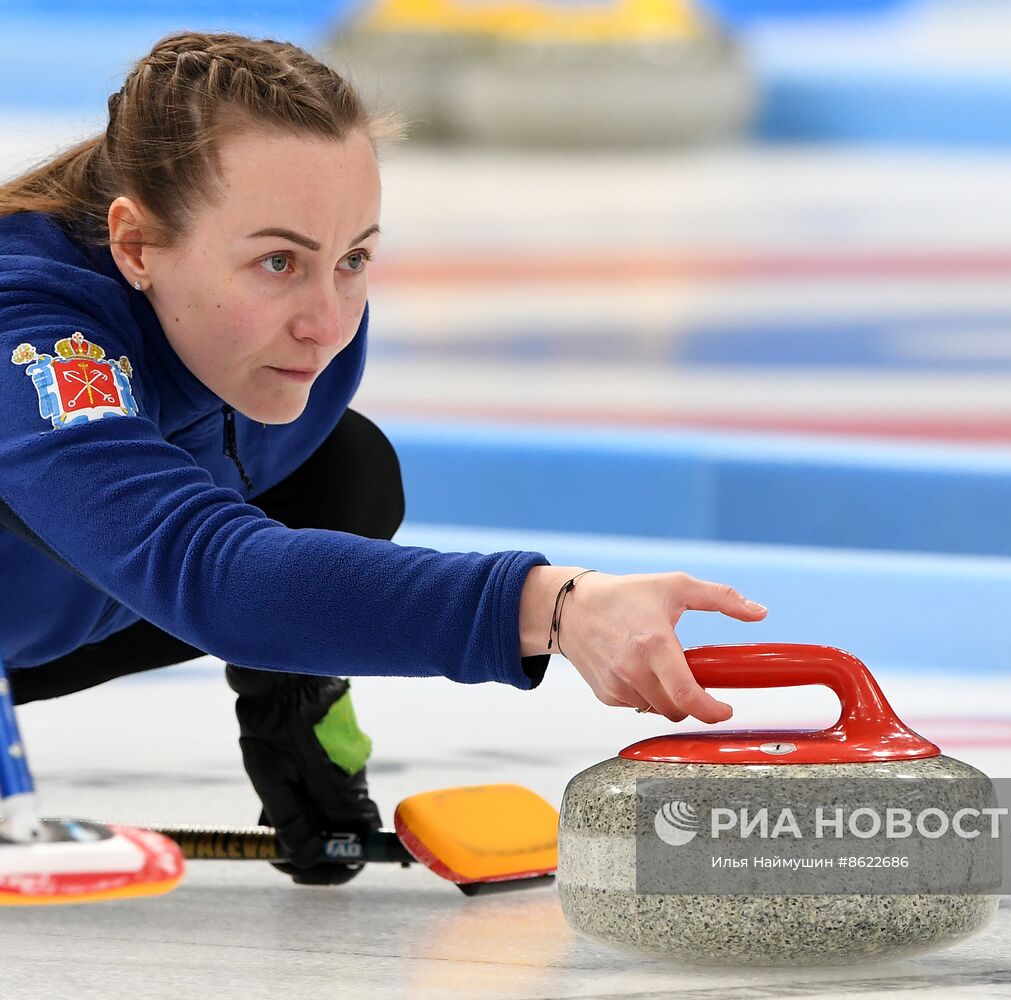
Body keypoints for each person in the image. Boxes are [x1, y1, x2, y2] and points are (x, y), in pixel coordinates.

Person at [0, 31, 767, 884]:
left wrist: (302, 718)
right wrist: (554, 604)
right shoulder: (34, 330)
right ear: (137, 247)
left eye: (354, 259)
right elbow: (202, 570)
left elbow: (273, 534)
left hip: (53, 616)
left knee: (347, 472)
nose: (326, 324)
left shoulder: (303, 333)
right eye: (278, 261)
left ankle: (298, 719)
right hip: (76, 597)